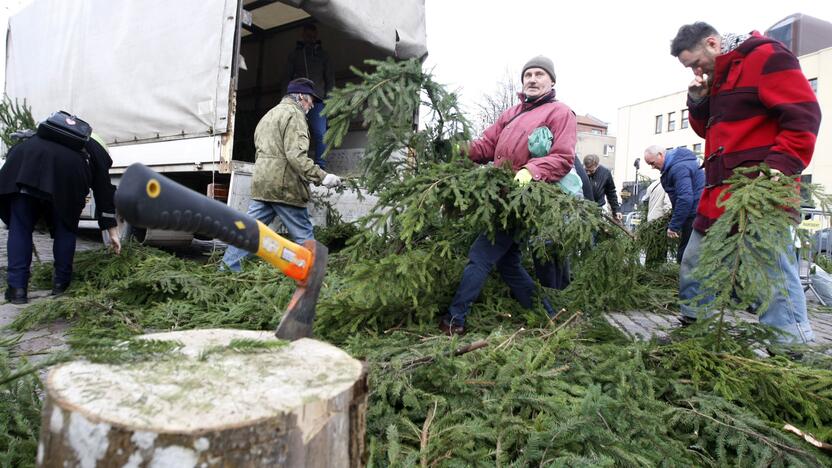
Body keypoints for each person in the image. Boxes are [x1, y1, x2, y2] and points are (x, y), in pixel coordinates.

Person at [670, 22, 820, 343]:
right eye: (689, 68)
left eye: (695, 63)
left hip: (760, 192)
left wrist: (780, 166)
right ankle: (695, 330)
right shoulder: (719, 77)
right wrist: (698, 98)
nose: (695, 71)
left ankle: (790, 346)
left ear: (712, 43)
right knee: (695, 261)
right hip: (717, 196)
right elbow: (707, 130)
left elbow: (804, 114)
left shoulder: (768, 57)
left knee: (771, 270)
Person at [440, 55, 577, 335]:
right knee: (508, 263)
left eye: (540, 74)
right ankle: (549, 316)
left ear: (552, 81)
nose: (533, 79)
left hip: (524, 200)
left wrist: (530, 171)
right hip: (501, 197)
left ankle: (455, 319)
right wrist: (456, 150)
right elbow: (486, 145)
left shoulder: (560, 113)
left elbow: (563, 157)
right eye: (528, 75)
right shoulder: (512, 113)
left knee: (480, 255)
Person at [221, 78, 342, 272]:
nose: (312, 105)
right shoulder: (295, 116)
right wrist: (322, 176)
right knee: (304, 235)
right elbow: (295, 155)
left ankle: (227, 270)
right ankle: (314, 277)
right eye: (311, 100)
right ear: (301, 96)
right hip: (284, 186)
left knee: (250, 233)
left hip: (263, 184)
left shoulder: (269, 115)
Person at [0, 131, 121, 304]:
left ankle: (17, 290)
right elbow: (104, 191)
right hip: (68, 174)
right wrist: (113, 231)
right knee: (65, 227)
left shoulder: (46, 133)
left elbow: (15, 152)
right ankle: (61, 285)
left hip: (25, 164)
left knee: (20, 227)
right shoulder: (96, 148)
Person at [285, 23, 334, 170]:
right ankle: (296, 164)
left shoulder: (323, 55)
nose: (310, 39)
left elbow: (330, 79)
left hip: (318, 101)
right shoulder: (295, 55)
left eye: (313, 36)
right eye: (308, 36)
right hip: (297, 101)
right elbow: (286, 77)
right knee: (296, 132)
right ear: (303, 35)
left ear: (317, 36)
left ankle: (320, 166)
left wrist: (330, 102)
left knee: (321, 134)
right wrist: (284, 99)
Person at [643, 146, 704, 263]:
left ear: (660, 155)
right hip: (695, 213)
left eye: (652, 163)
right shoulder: (675, 166)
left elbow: (685, 198)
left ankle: (685, 280)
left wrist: (674, 226)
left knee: (686, 256)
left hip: (694, 215)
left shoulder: (678, 168)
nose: (652, 167)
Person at [583, 154, 622, 221]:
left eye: (591, 171)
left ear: (597, 166)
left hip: (597, 209)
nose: (588, 173)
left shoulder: (605, 173)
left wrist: (616, 210)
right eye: (586, 170)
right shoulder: (580, 171)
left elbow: (611, 193)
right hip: (581, 208)